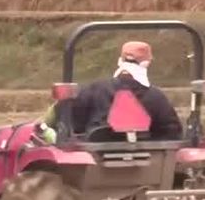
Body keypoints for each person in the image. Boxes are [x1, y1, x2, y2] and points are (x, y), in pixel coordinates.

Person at [38, 40, 183, 142]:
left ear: (120, 61)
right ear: (147, 63)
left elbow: (61, 114)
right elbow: (173, 133)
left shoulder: (95, 89)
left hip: (94, 160)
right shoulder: (157, 97)